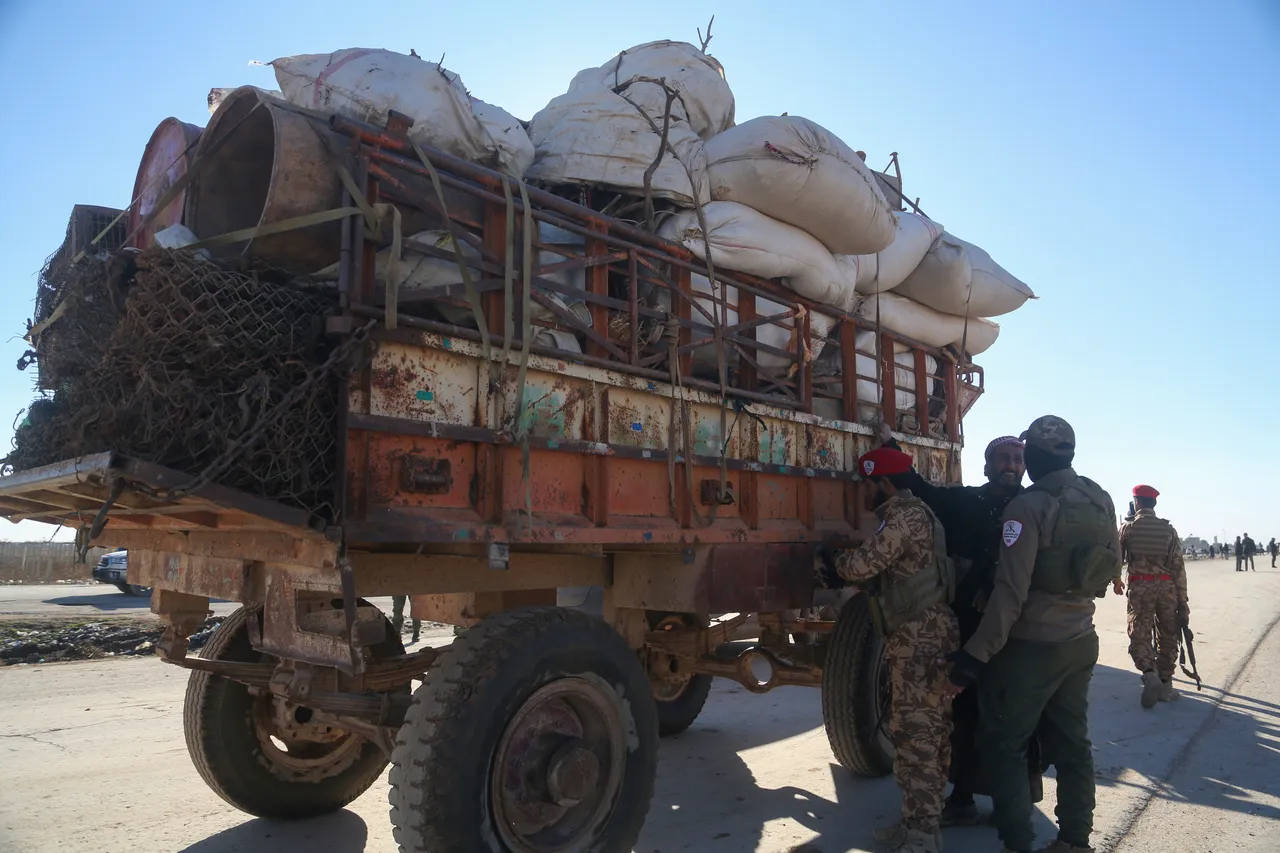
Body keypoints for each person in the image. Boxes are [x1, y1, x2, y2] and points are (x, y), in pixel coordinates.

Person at [945, 415, 1119, 853]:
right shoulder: (1100, 499)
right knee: (1073, 745)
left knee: (1003, 744)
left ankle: (1019, 842)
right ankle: (1075, 841)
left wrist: (974, 656)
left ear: (1034, 457)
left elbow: (1010, 594)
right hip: (1080, 639)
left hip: (1030, 649)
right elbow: (1108, 569)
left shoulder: (1027, 507)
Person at [880, 427, 1031, 826]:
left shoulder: (1033, 507)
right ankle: (961, 797)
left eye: (1018, 459)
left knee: (1011, 719)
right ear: (988, 465)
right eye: (1004, 458)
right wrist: (888, 446)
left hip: (1015, 631)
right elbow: (918, 487)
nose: (1012, 466)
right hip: (966, 628)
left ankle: (1010, 803)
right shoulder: (965, 501)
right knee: (963, 716)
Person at [817, 446, 959, 853]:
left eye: (868, 484)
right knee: (926, 734)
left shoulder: (905, 516)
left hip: (921, 637)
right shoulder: (913, 514)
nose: (865, 492)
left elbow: (862, 566)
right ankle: (919, 823)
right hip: (923, 632)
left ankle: (922, 836)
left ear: (885, 483)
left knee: (918, 738)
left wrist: (833, 559)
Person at [1119, 485, 1190, 708]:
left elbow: (1115, 559)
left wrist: (1114, 580)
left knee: (1139, 633)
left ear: (1137, 502)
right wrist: (1183, 601)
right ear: (1154, 504)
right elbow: (1178, 568)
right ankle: (1166, 685)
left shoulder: (1128, 528)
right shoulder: (1168, 530)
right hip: (1167, 589)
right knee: (1168, 634)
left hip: (1141, 588)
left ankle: (1149, 674)